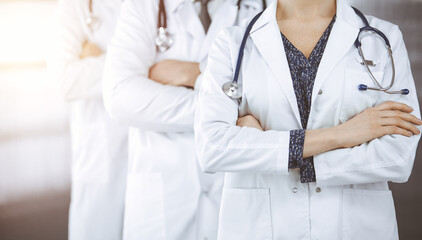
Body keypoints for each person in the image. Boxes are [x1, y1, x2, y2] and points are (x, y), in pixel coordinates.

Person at [195, 0, 421, 239]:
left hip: (355, 226)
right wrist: (343, 134)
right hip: (262, 225)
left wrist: (275, 150)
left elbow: (398, 155)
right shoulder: (232, 42)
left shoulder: (382, 38)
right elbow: (212, 147)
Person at [102, 0, 269, 239]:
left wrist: (192, 73)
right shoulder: (144, 5)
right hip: (164, 205)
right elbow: (121, 96)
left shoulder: (265, 6)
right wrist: (225, 110)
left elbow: (272, 93)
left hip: (235, 196)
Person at [50, 0, 127, 239]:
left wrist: (98, 59)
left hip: (149, 146)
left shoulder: (152, 6)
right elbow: (66, 81)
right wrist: (132, 67)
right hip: (100, 156)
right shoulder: (74, 7)